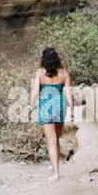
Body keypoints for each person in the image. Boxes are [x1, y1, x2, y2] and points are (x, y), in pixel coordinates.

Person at [32, 46, 71, 181]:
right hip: (60, 106)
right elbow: (67, 92)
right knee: (57, 138)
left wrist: (30, 106)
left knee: (51, 141)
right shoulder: (64, 73)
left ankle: (55, 173)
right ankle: (56, 167)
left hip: (46, 107)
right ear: (56, 59)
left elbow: (36, 92)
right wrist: (71, 109)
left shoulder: (40, 73)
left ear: (43, 59)